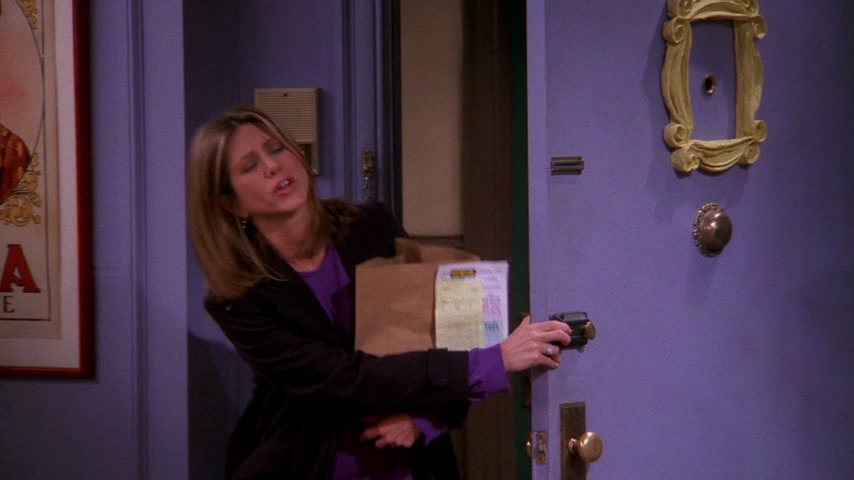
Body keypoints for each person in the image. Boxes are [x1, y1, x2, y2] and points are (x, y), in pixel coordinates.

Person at [187, 106, 572, 480]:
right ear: (232, 204)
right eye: (250, 166)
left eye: (276, 149)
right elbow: (343, 377)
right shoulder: (237, 297)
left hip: (409, 462)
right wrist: (493, 361)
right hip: (308, 463)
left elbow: (440, 332)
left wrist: (426, 419)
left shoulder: (370, 226)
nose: (273, 166)